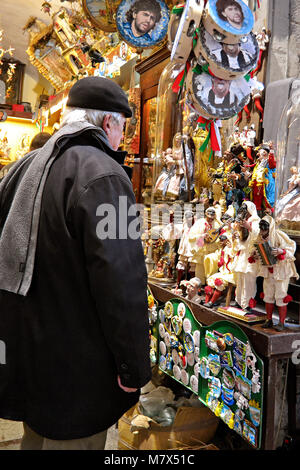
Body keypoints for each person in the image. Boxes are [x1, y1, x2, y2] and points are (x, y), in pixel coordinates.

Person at [0, 76, 151, 450]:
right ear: (107, 123)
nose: (122, 139)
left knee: (36, 438)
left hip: (30, 353)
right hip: (77, 365)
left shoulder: (25, 166)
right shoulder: (106, 175)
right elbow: (122, 279)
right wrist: (133, 366)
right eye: (123, 128)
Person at [253, 216, 298, 331]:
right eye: (261, 227)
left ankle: (281, 322)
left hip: (281, 271)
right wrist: (255, 255)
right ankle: (269, 319)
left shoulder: (279, 235)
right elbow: (257, 252)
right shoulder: (260, 237)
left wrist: (281, 251)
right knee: (268, 295)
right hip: (268, 271)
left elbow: (291, 246)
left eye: (264, 227)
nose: (262, 229)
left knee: (281, 296)